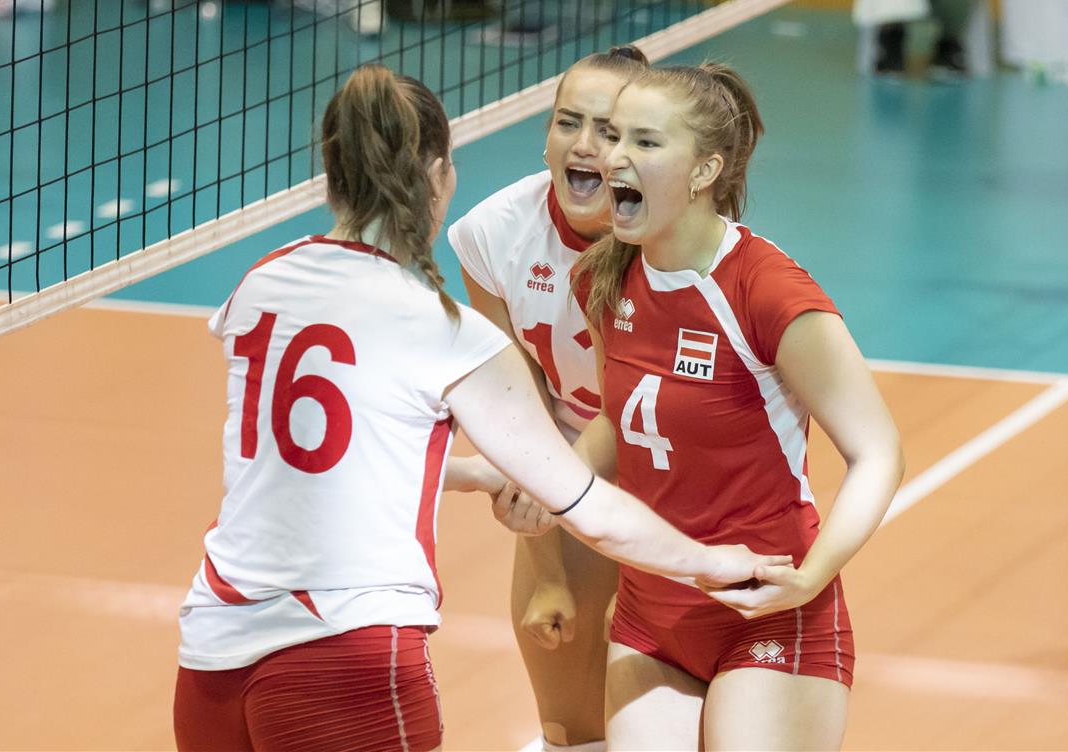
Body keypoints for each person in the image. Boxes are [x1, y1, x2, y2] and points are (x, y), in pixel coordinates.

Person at [171, 63, 792, 752]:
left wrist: (471, 475)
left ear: (330, 173)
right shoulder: (444, 331)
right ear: (440, 176)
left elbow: (322, 453)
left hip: (212, 652)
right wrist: (706, 562)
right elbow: (586, 503)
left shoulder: (258, 286)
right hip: (346, 651)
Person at [569, 62, 905, 750]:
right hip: (650, 616)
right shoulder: (603, 276)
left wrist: (810, 578)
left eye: (645, 141)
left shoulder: (766, 290)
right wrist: (543, 482)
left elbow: (879, 453)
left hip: (767, 611)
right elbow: (620, 419)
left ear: (704, 171)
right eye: (614, 136)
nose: (614, 157)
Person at [444, 45, 648, 752]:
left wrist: (552, 488)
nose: (584, 144)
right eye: (568, 122)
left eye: (609, 130)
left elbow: (634, 408)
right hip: (567, 463)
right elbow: (517, 409)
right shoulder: (492, 235)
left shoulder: (669, 241)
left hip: (680, 471)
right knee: (571, 726)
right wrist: (547, 567)